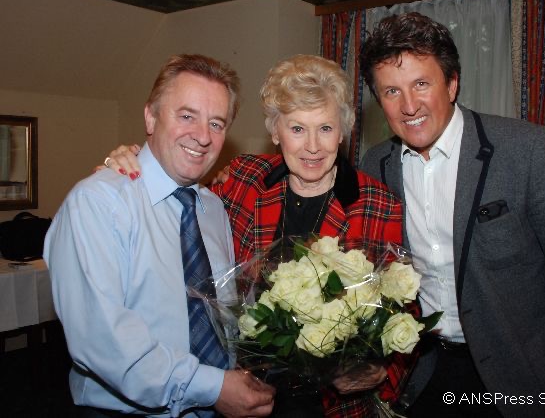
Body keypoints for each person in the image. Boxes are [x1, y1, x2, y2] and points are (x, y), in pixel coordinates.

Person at [101, 54, 408, 417]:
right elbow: (174, 193)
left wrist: (380, 370)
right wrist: (128, 165)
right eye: (297, 129)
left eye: (325, 128)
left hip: (334, 404)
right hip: (245, 394)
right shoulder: (243, 179)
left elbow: (403, 312)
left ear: (342, 132)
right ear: (275, 132)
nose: (312, 146)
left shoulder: (377, 203)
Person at [357, 12, 545, 418]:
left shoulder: (529, 152)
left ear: (452, 83)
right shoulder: (377, 165)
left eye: (421, 84)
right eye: (392, 91)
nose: (409, 106)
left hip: (522, 383)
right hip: (422, 376)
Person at [44, 54, 275, 417]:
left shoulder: (213, 209)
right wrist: (212, 387)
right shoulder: (99, 202)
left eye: (216, 123)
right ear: (151, 117)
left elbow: (223, 314)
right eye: (187, 116)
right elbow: (103, 339)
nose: (203, 136)